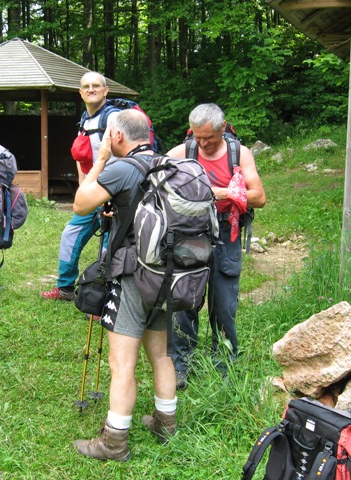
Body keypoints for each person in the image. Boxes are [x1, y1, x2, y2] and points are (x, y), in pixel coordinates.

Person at [72, 109, 177, 461]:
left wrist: (100, 160)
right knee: (161, 353)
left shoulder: (120, 168)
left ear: (116, 137)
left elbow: (80, 203)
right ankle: (166, 423)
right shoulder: (169, 165)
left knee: (122, 364)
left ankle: (113, 443)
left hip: (133, 275)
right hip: (171, 274)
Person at [168, 103, 266, 388]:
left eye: (209, 137)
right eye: (198, 137)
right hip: (190, 231)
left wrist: (223, 192)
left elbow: (259, 196)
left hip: (226, 233)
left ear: (223, 128)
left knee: (223, 304)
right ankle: (180, 365)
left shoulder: (239, 153)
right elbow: (155, 177)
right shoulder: (183, 152)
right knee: (184, 299)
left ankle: (224, 365)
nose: (203, 144)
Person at [40, 71, 118, 302]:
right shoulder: (84, 119)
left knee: (109, 246)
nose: (91, 89)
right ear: (81, 92)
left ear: (106, 91)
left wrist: (114, 195)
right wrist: (82, 186)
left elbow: (124, 158)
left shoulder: (113, 118)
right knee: (70, 235)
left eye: (96, 85)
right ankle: (65, 288)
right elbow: (81, 156)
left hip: (113, 194)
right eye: (86, 86)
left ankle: (105, 296)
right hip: (93, 192)